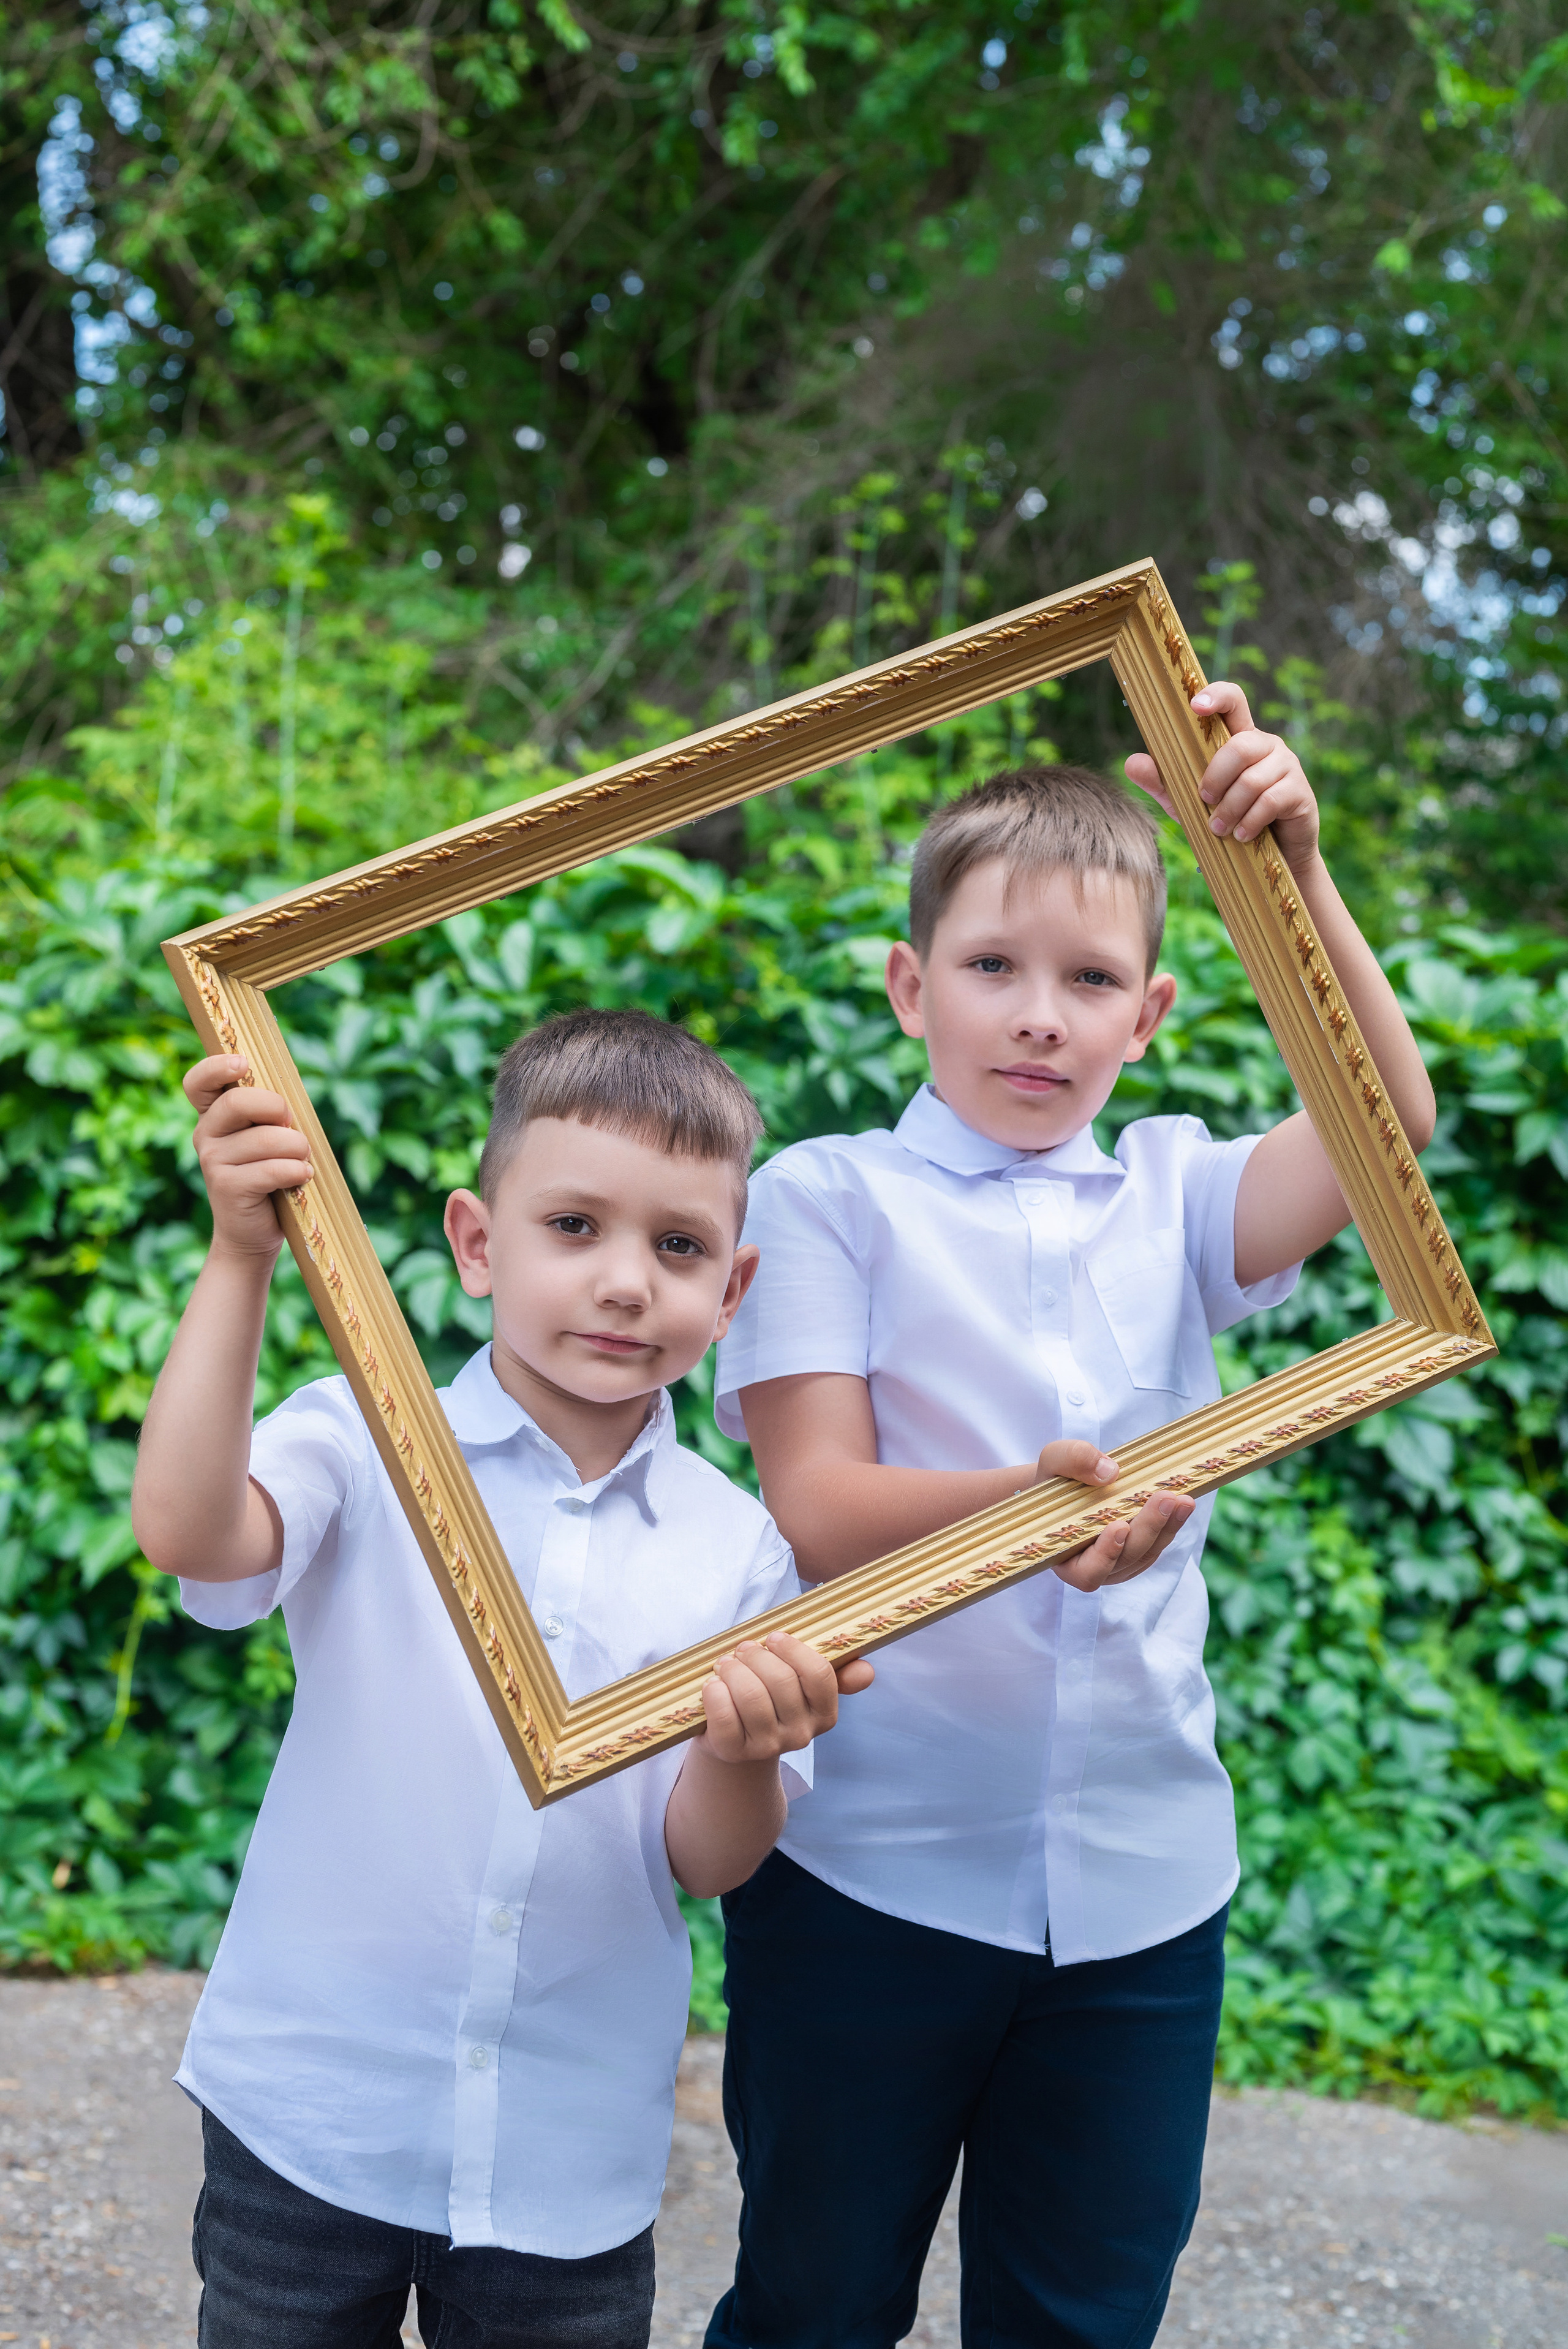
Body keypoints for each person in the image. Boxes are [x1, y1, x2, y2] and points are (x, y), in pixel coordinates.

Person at [706, 683, 1437, 2349]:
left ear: (1149, 1012)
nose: (1040, 1018)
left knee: (1083, 2320)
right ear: (910, 987)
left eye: (1090, 980)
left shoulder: (1178, 1191)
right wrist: (1040, 1510)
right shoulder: (827, 1197)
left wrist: (1293, 874)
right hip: (869, 1876)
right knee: (813, 2306)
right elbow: (817, 1506)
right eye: (992, 968)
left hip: (1143, 1887)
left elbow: (1384, 1125)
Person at [131, 1007, 871, 2349]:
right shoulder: (364, 1436)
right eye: (574, 1226)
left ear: (733, 1290)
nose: (627, 1282)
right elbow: (190, 1533)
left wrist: (744, 1750)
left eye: (680, 1246)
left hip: (563, 2157)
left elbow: (707, 1862)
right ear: (478, 1243)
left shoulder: (740, 1550)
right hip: (312, 2110)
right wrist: (244, 1255)